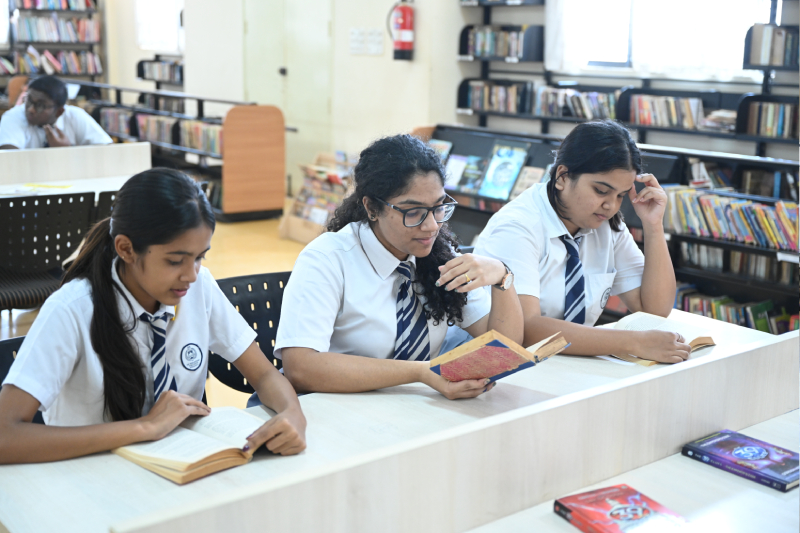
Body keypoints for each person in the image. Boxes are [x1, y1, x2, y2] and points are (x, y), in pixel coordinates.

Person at [0, 169, 306, 464]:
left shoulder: (199, 286)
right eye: (175, 261)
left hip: (179, 463)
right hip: (91, 475)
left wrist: (292, 414)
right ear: (126, 249)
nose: (190, 274)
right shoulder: (72, 310)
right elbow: (5, 436)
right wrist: (144, 427)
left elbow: (265, 374)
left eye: (200, 257)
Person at [275, 134, 523, 400]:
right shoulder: (327, 259)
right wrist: (419, 373)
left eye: (439, 207)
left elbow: (502, 350)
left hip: (413, 407)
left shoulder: (439, 255)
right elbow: (300, 368)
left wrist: (502, 276)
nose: (431, 226)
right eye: (412, 212)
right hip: (338, 406)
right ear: (372, 208)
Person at [474, 120, 691, 364]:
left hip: (572, 363)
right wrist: (634, 342)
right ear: (563, 176)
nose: (611, 206)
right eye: (600, 191)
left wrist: (653, 226)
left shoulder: (605, 224)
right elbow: (526, 328)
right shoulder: (517, 227)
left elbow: (654, 310)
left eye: (620, 195)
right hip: (503, 366)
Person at [0, 75, 112, 150]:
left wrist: (69, 150)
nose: (31, 109)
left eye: (40, 105)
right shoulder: (13, 116)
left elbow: (107, 149)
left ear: (59, 111)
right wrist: (57, 153)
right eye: (29, 101)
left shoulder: (74, 115)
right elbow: (8, 155)